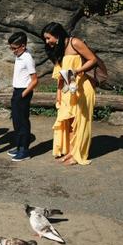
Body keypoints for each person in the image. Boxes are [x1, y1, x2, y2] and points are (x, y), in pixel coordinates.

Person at [41, 22, 97, 165]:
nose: (47, 42)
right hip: (67, 90)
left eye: (48, 38)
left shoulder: (74, 42)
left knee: (80, 122)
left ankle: (78, 154)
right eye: (45, 39)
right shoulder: (57, 50)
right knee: (68, 121)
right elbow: (60, 76)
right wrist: (58, 94)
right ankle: (71, 151)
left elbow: (93, 59)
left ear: (57, 35)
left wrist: (78, 70)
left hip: (82, 88)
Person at [6, 32, 38, 161]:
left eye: (15, 48)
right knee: (16, 121)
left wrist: (23, 94)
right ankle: (19, 146)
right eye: (11, 48)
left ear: (23, 46)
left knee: (23, 122)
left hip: (23, 92)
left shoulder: (27, 58)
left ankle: (25, 151)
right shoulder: (19, 56)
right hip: (17, 91)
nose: (13, 51)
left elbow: (35, 80)